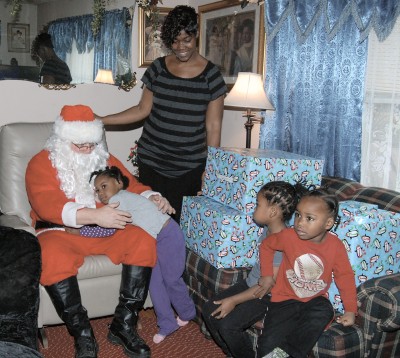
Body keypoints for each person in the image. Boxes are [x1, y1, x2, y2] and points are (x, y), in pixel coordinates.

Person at [25, 104, 174, 358]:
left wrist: (153, 197)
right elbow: (45, 204)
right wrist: (93, 215)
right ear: (62, 139)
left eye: (90, 145)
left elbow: (131, 184)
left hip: (108, 229)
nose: (86, 150)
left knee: (142, 239)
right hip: (61, 231)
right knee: (50, 254)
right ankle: (83, 334)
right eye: (78, 145)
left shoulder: (104, 159)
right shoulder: (40, 163)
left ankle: (123, 324)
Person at [99, 5, 227, 223]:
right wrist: (100, 120)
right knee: (148, 223)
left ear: (196, 35)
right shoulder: (158, 68)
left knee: (179, 226)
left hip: (188, 168)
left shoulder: (212, 76)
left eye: (187, 39)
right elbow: (141, 110)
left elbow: (213, 127)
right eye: (175, 41)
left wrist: (210, 169)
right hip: (152, 161)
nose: (180, 47)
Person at [80, 166, 196, 344]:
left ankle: (187, 312)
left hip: (169, 234)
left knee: (171, 278)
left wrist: (81, 232)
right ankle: (167, 324)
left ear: (119, 182)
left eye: (104, 186)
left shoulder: (119, 199)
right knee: (154, 282)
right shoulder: (119, 201)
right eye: (96, 190)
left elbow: (107, 230)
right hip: (155, 241)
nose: (100, 193)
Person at [202, 181, 304, 358]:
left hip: (268, 296)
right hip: (252, 284)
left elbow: (267, 286)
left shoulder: (283, 243)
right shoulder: (269, 228)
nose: (254, 208)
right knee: (209, 309)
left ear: (272, 212)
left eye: (258, 204)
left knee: (229, 326)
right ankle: (231, 352)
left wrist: (233, 300)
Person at [256, 188, 358, 358]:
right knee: (267, 343)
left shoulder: (336, 246)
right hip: (284, 299)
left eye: (309, 218)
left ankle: (287, 353)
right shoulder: (288, 236)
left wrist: (350, 310)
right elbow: (266, 246)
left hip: (315, 300)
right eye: (298, 215)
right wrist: (267, 275)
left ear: (328, 224)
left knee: (324, 311)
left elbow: (345, 276)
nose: (300, 222)